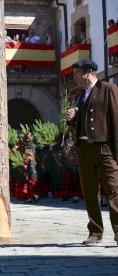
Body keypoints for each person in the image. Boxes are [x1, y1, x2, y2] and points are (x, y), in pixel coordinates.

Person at [66, 59, 118, 245]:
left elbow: (116, 122)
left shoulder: (108, 89)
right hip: (84, 149)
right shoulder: (79, 95)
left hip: (105, 148)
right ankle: (95, 231)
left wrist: (116, 152)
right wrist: (71, 120)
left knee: (113, 190)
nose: (74, 77)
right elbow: (78, 124)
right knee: (89, 192)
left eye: (77, 73)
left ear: (88, 72)